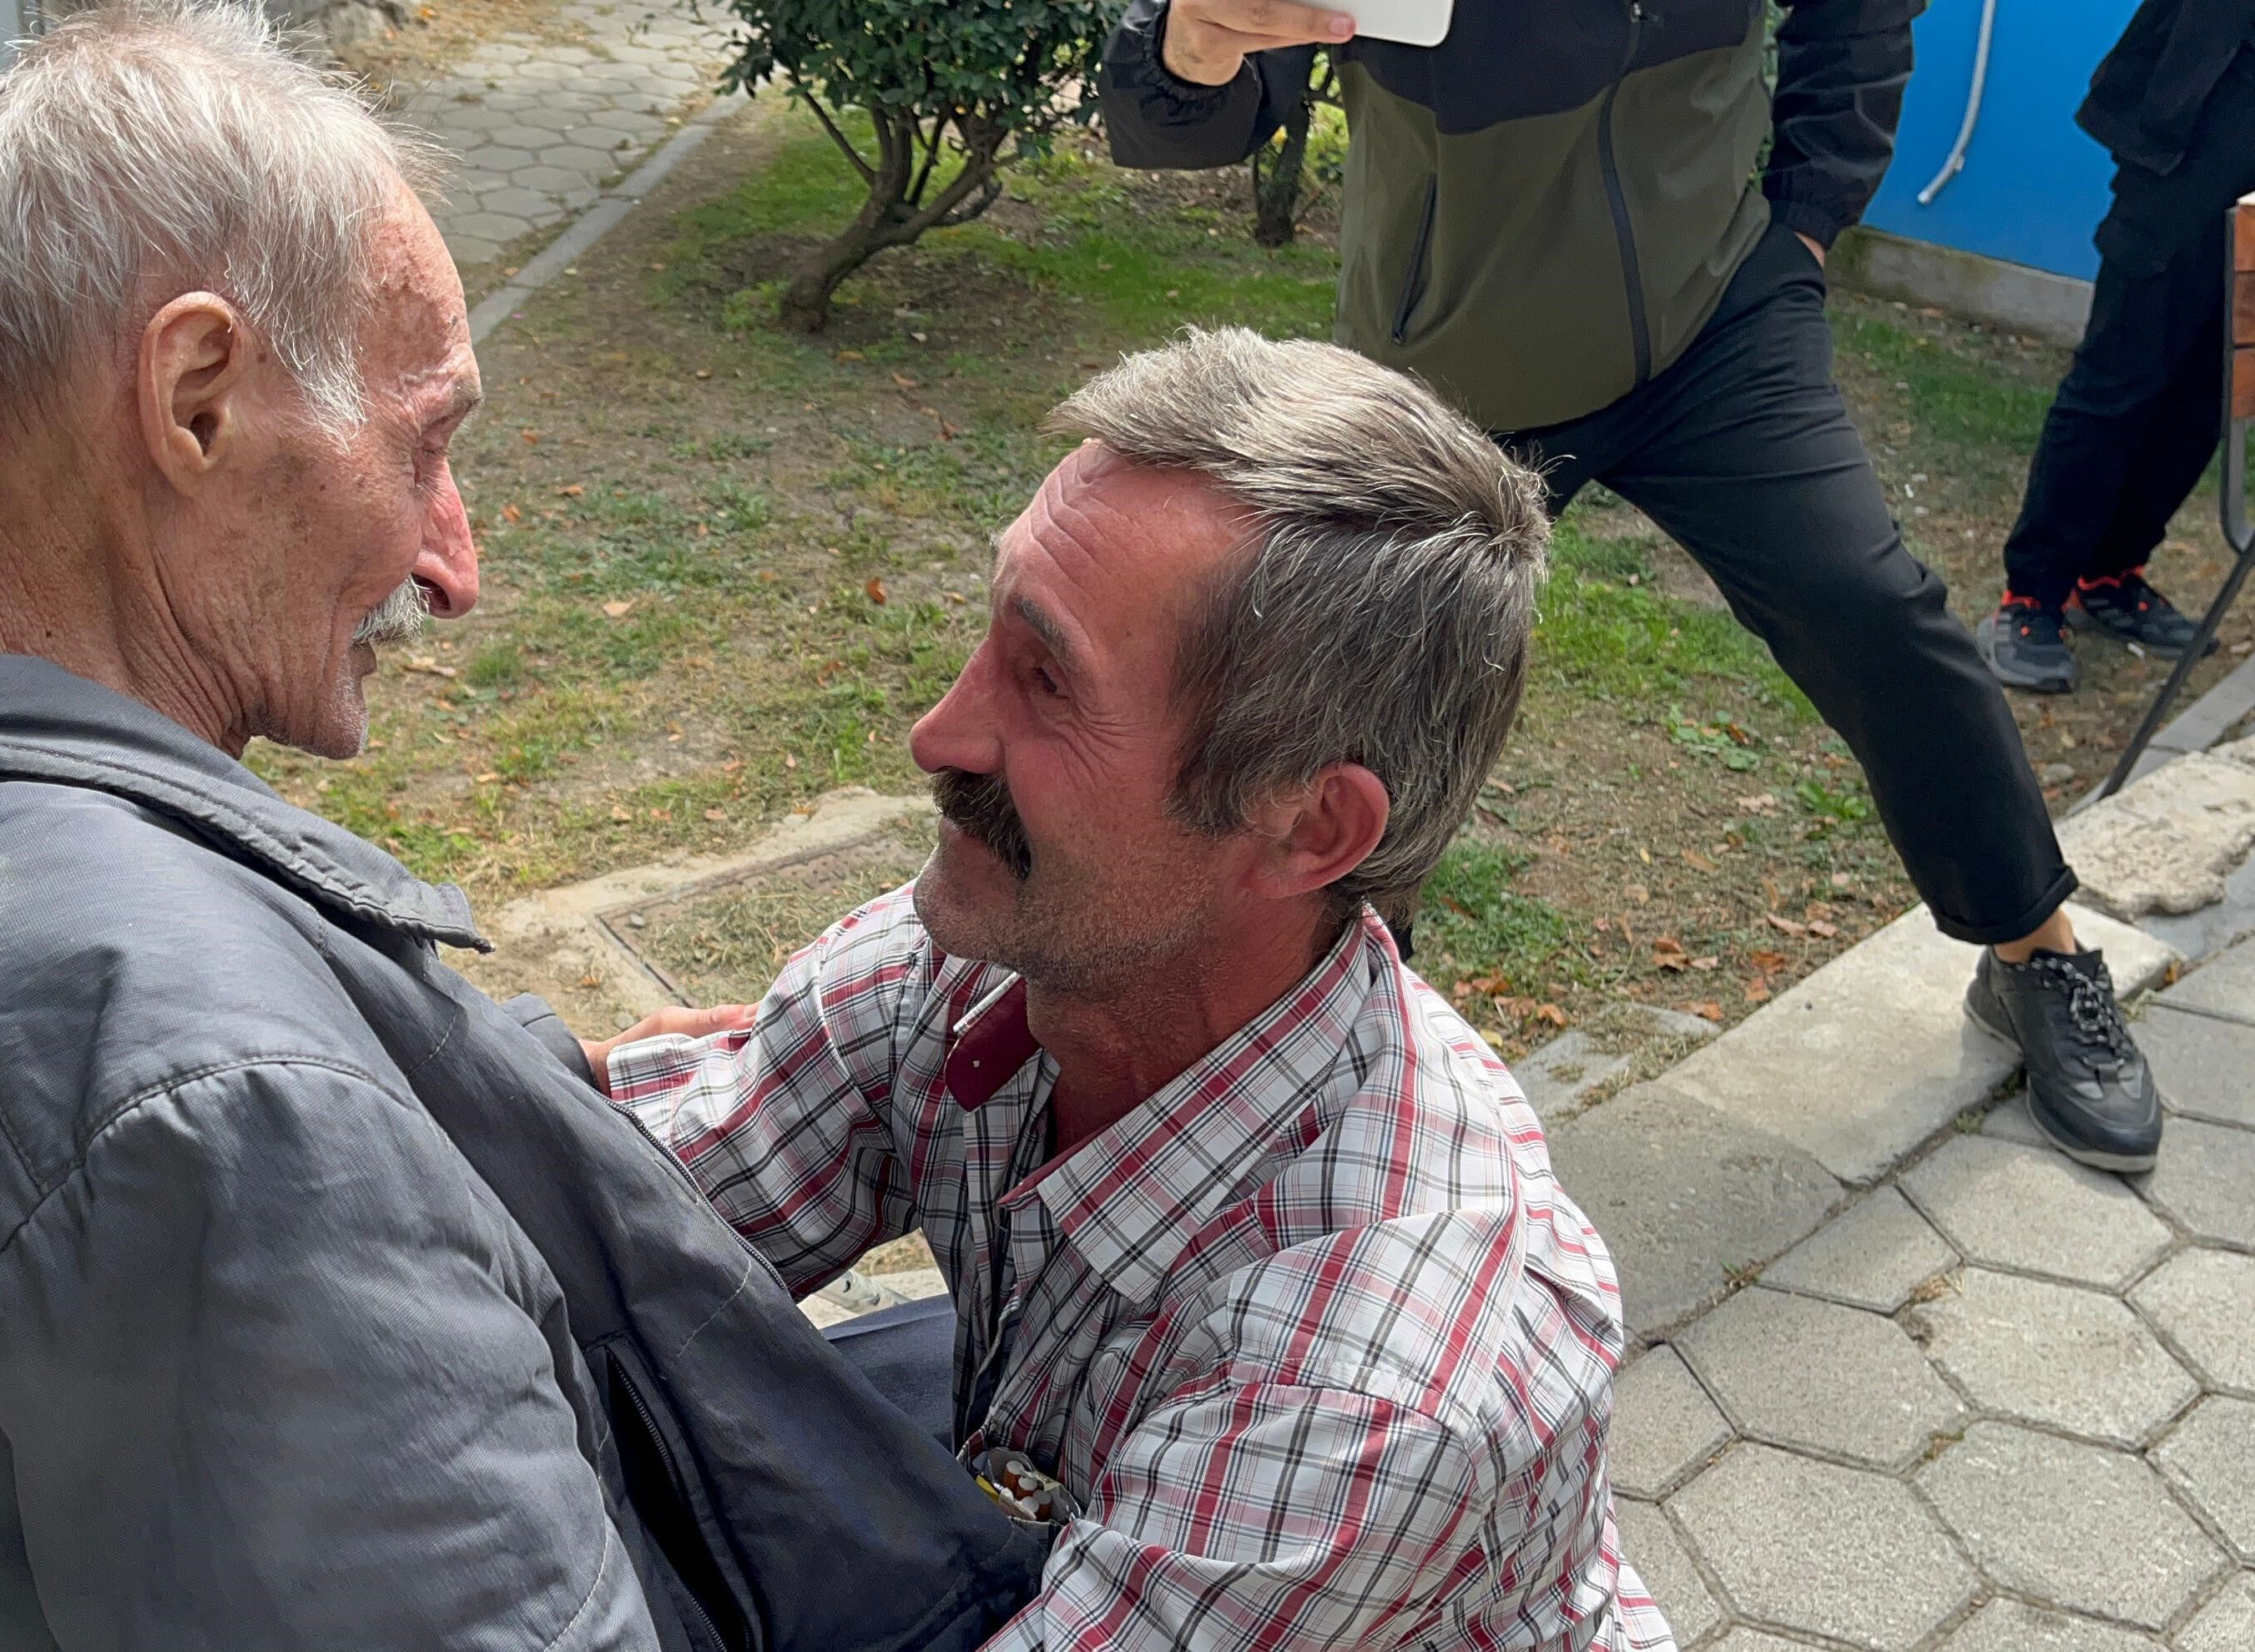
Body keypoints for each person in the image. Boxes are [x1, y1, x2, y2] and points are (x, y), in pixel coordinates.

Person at [0, 6, 1042, 1647]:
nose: (455, 562)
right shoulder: (213, 1104)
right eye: (423, 444)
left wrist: (481, 1098)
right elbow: (182, 1134)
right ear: (196, 398)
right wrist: (332, 1123)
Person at [583, 329, 1673, 1652]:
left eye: (1049, 683)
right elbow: (592, 1211)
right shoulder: (987, 969)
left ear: (1308, 829)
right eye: (991, 632)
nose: (939, 734)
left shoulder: (1379, 1385)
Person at [1097, 0, 2162, 1174]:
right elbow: (1187, 116)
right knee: (1350, 701)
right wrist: (1191, 45)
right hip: (1453, 349)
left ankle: (2036, 952)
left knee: (1871, 607)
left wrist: (1808, 220)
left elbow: (1856, 18)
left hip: (1712, 322)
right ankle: (1319, 1050)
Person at [1981, 0, 2255, 693]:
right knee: (2120, 379)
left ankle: (2112, 574)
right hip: (2201, 125)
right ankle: (2031, 598)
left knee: (2206, 393)